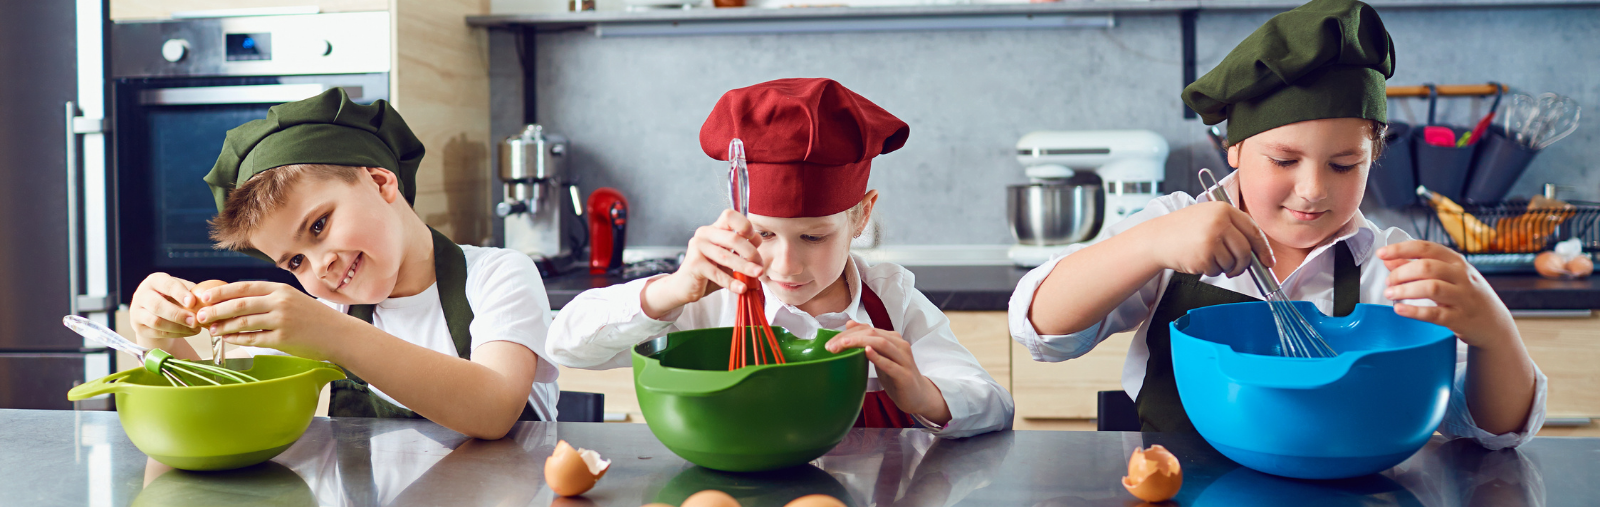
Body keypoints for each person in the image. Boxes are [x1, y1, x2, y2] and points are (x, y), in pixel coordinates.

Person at [1010, 0, 1544, 448]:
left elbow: (1492, 434)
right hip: (1179, 492)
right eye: (1284, 161)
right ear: (1234, 147)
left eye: (1343, 165)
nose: (1312, 189)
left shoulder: (1392, 269)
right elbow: (1041, 331)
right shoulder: (1172, 228)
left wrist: (1494, 331)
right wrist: (1150, 245)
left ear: (1373, 155)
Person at [548, 78, 1013, 437]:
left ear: (860, 216)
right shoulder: (707, 300)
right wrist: (670, 291)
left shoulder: (891, 300)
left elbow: (994, 406)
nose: (785, 264)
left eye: (813, 237)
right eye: (765, 233)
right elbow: (565, 345)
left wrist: (924, 395)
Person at [126, 88, 559, 438]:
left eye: (318, 226)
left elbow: (495, 408)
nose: (320, 267)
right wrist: (159, 342)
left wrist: (329, 333)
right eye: (295, 261)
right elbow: (220, 418)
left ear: (379, 181)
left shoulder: (498, 277)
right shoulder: (325, 312)